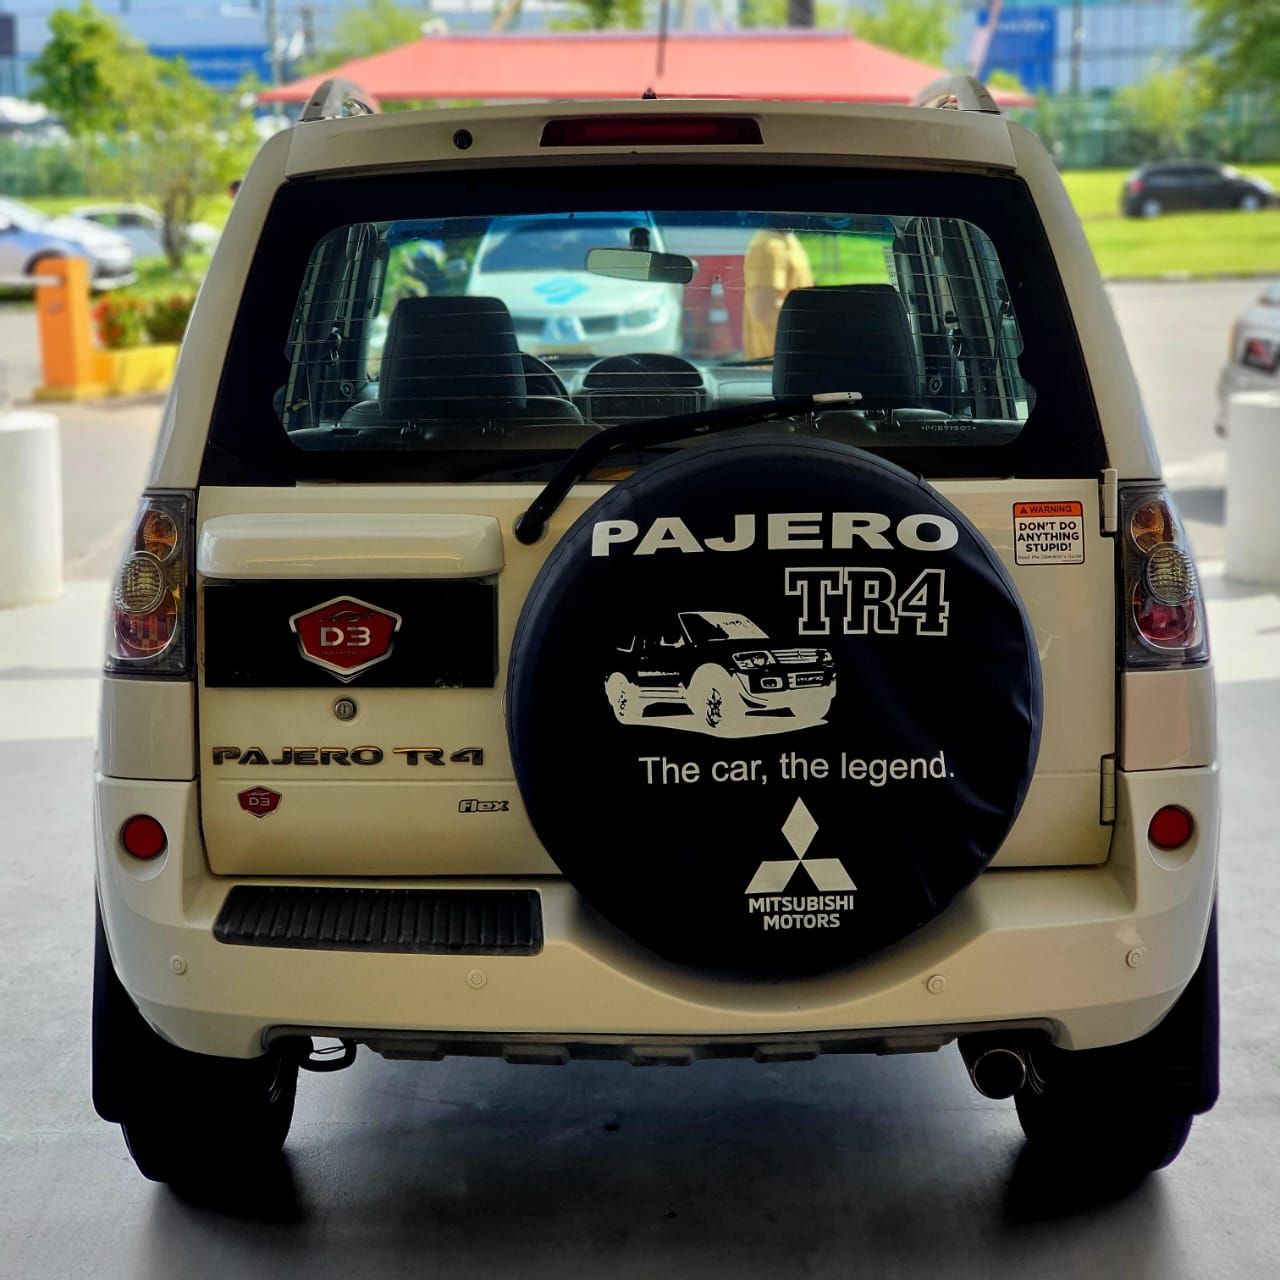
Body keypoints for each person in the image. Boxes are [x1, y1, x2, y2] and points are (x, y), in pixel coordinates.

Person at [742, 228, 813, 360]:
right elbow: (763, 309)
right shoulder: (768, 246)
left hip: (793, 360)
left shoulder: (787, 237)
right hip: (773, 364)